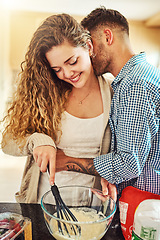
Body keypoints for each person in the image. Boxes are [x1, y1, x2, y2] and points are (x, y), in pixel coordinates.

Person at [1, 13, 117, 203]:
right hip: (45, 202)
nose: (67, 74)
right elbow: (7, 142)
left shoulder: (114, 92)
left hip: (93, 206)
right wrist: (38, 140)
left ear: (88, 47)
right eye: (57, 69)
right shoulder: (47, 93)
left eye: (72, 62)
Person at [55, 7, 160, 198]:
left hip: (144, 204)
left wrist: (65, 161)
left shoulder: (135, 84)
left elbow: (129, 164)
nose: (88, 53)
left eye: (90, 44)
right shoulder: (136, 77)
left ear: (107, 37)